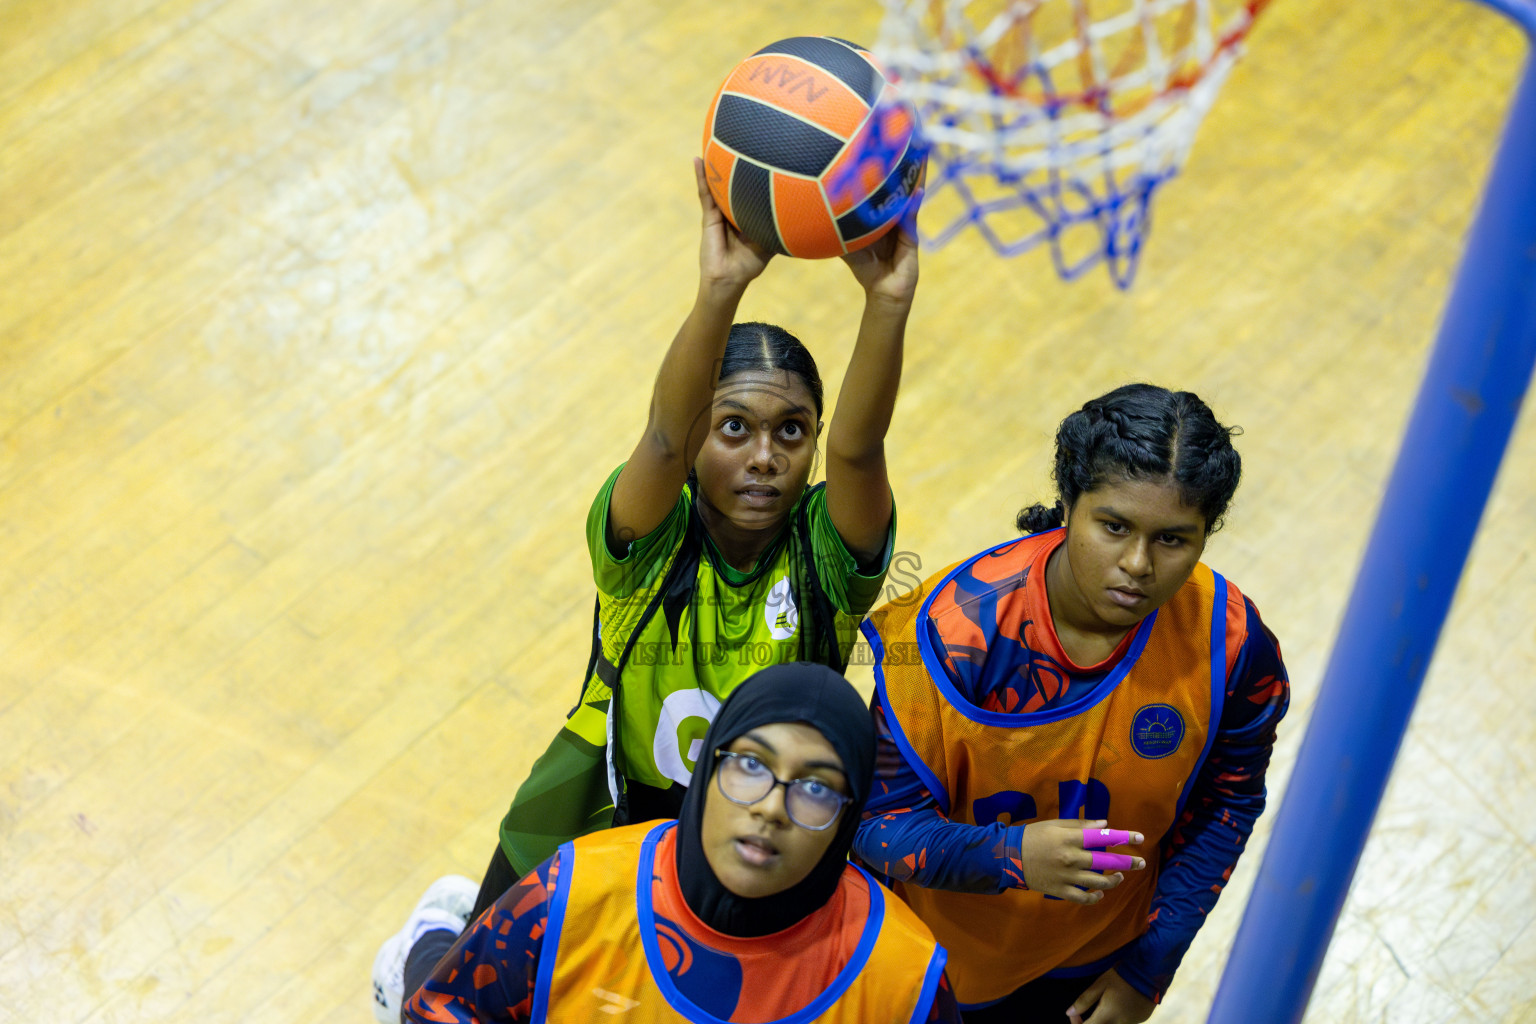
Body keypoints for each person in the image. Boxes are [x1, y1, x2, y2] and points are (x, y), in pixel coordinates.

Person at [372, 161, 921, 1022]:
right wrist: (718, 292)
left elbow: (860, 452)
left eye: (792, 432)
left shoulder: (825, 553)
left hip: (754, 824)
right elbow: (664, 438)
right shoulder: (649, 542)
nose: (765, 456)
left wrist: (886, 304)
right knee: (459, 994)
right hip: (601, 801)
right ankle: (429, 940)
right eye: (733, 428)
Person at [851, 384, 1290, 1024]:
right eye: (1113, 527)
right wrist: (1014, 858)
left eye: (1173, 540)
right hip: (939, 971)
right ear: (1067, 506)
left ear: (1206, 534)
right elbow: (875, 826)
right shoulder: (952, 637)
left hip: (1096, 967)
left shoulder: (1233, 646)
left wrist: (1149, 967)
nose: (1137, 564)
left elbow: (1229, 802)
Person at [403, 663, 962, 1023]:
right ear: (708, 765)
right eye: (749, 764)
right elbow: (441, 1010)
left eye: (815, 787)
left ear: (846, 815)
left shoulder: (905, 980)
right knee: (431, 968)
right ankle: (430, 935)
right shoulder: (571, 891)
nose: (770, 806)